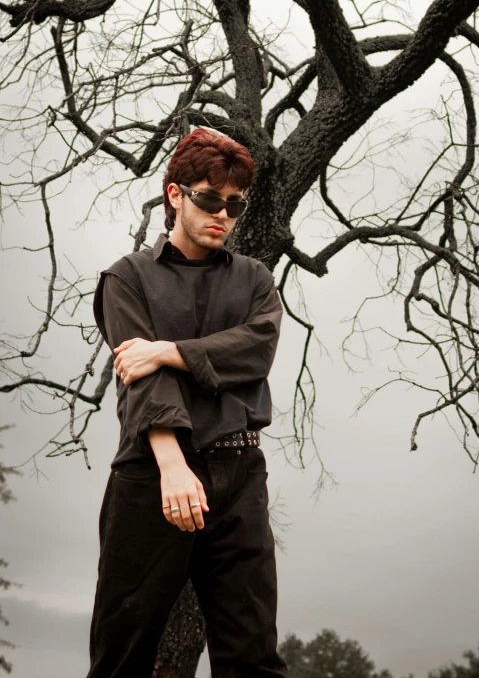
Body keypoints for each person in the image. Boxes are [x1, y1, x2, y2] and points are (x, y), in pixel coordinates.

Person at [88, 128, 288, 678]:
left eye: (234, 204)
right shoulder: (126, 278)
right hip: (153, 477)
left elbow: (255, 351)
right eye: (208, 198)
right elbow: (140, 377)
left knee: (253, 658)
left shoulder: (254, 280)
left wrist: (170, 350)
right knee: (122, 653)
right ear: (175, 195)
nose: (222, 213)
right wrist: (173, 466)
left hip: (240, 475)